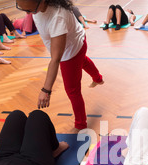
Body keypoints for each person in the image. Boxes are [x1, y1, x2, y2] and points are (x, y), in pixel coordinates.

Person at [16, 0, 104, 130]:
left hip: (71, 52)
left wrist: (46, 90)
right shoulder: (40, 6)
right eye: (22, 9)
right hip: (78, 42)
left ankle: (81, 125)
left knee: (73, 91)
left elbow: (56, 58)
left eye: (29, 11)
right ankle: (98, 78)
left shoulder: (58, 17)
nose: (27, 13)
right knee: (83, 61)